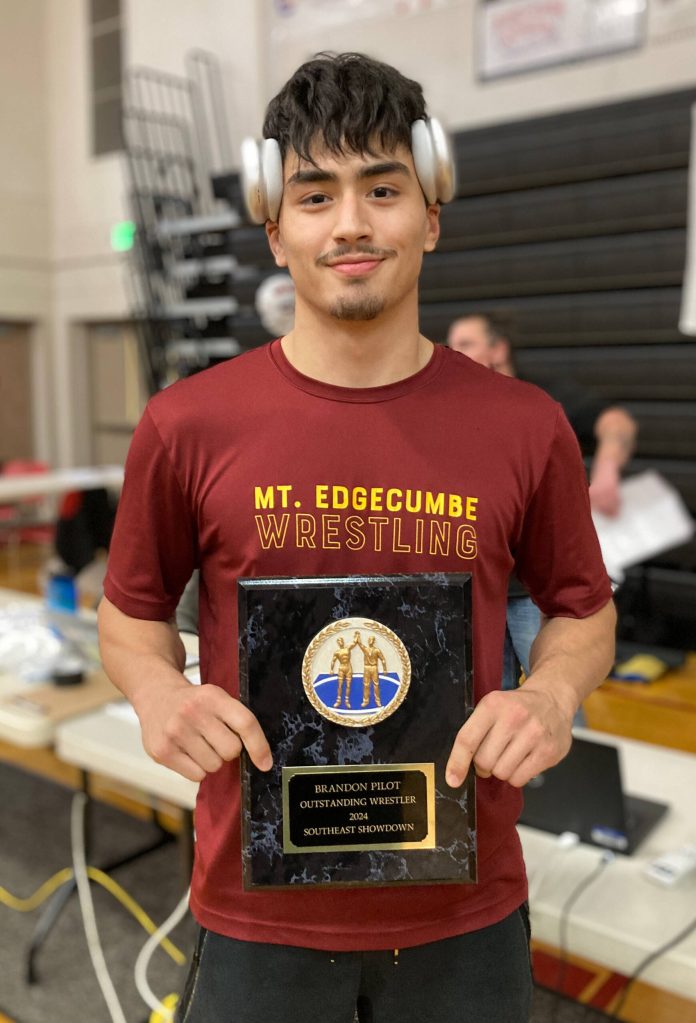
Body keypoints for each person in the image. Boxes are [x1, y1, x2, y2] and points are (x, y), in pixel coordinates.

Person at [98, 53, 615, 1023]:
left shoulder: (525, 425)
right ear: (273, 225)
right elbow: (130, 615)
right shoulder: (185, 426)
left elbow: (584, 610)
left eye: (382, 189)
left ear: (431, 212)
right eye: (315, 195)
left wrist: (552, 695)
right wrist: (157, 691)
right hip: (256, 918)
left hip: (465, 917)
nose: (349, 224)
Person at [447, 312, 635, 690]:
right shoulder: (449, 403)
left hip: (536, 593)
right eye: (450, 345)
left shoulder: (541, 400)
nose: (454, 353)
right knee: (486, 700)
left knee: (555, 697)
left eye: (466, 344)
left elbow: (617, 423)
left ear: (499, 349)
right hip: (477, 586)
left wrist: (607, 471)